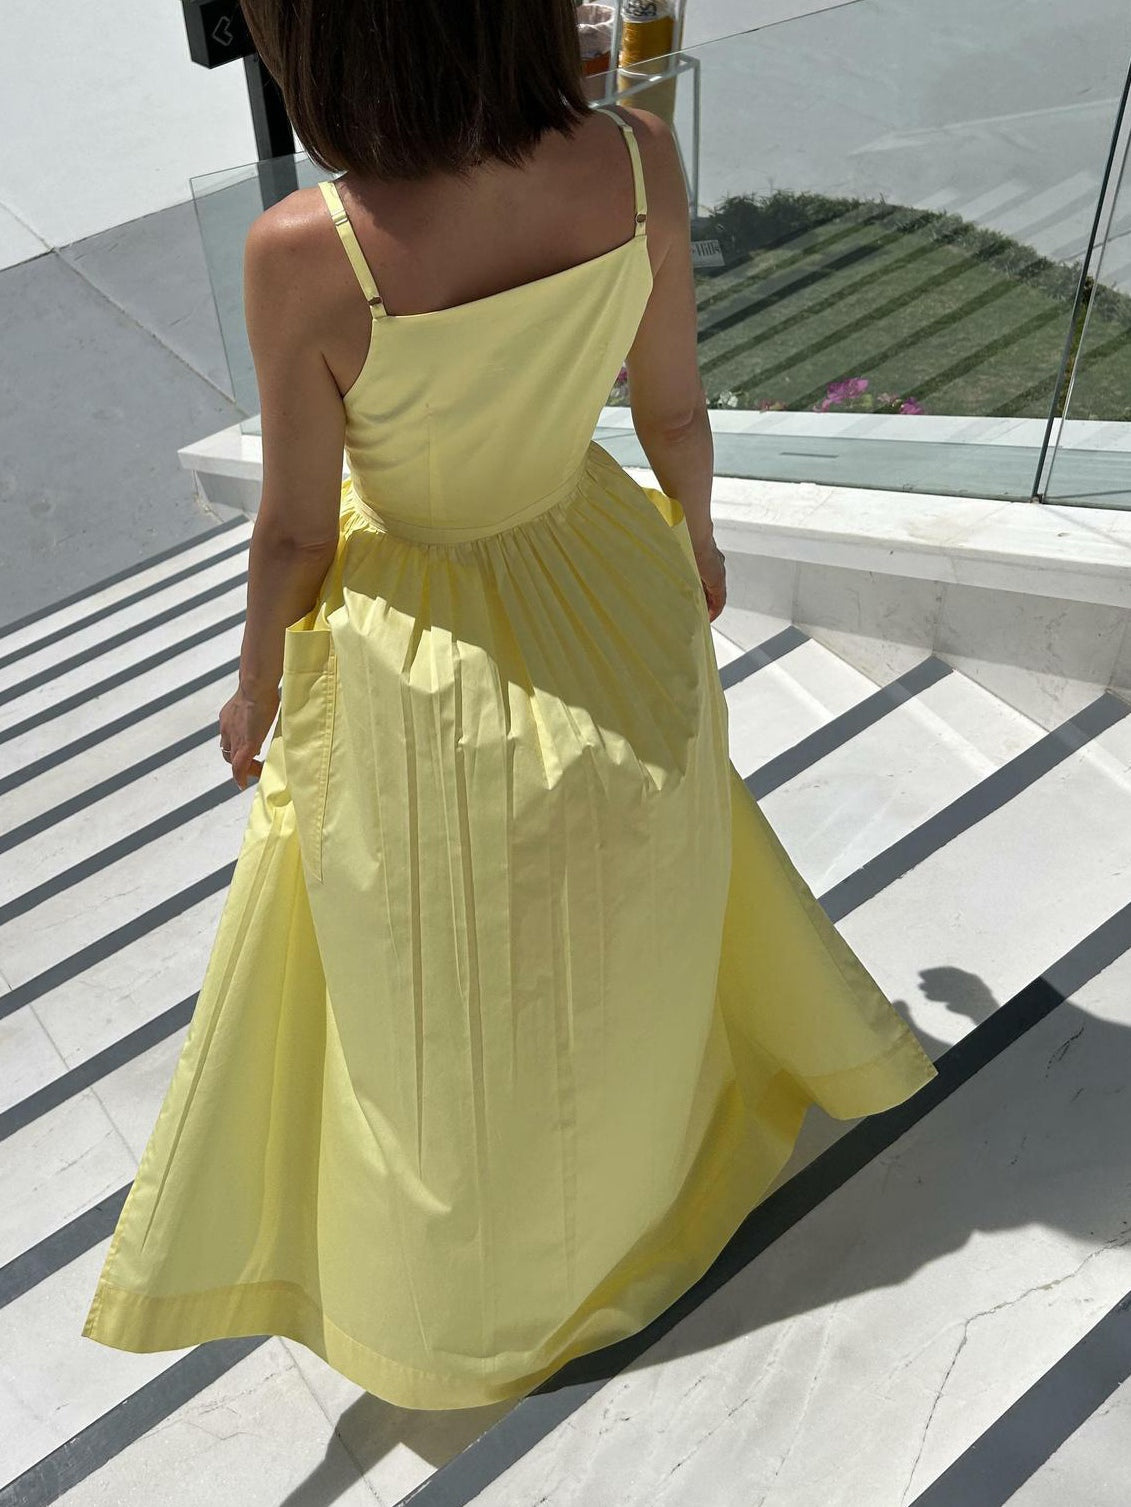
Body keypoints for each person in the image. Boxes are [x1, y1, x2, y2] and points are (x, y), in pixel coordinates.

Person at [80, 0, 938, 1410]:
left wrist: (254, 682)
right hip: (601, 576)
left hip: (427, 651)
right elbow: (673, 412)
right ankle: (651, 1162)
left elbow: (295, 533)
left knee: (444, 981)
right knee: (633, 900)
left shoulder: (307, 248)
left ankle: (480, 1287)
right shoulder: (638, 156)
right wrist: (695, 538)